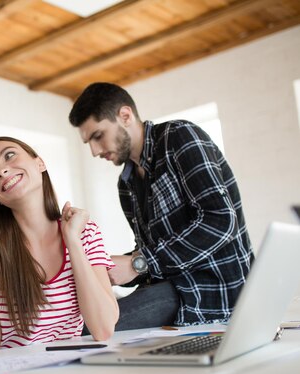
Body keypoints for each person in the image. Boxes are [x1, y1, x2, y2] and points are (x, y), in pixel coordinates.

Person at [68, 82, 254, 330]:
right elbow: (151, 251)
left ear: (125, 116)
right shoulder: (126, 185)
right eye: (88, 143)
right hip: (171, 288)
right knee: (80, 320)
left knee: (91, 328)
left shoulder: (179, 137)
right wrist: (106, 267)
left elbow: (220, 222)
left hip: (217, 291)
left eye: (98, 136)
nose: (93, 151)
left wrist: (137, 263)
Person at [0, 137, 118, 352]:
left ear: (39, 163)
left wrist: (72, 241)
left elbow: (103, 328)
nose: (1, 172)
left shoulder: (84, 232)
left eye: (9, 155)